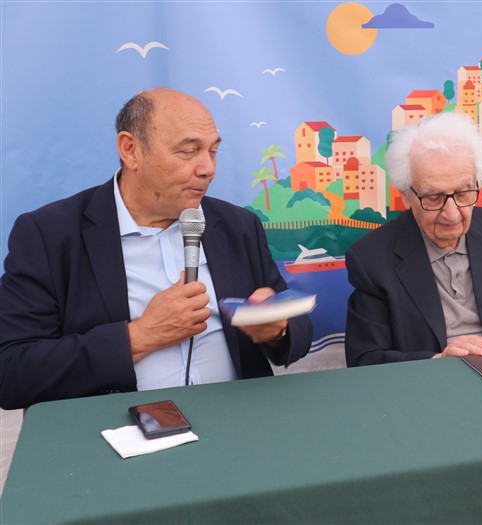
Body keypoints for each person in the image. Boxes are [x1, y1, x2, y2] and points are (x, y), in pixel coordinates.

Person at [0, 88, 312, 410]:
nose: (207, 168)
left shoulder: (238, 225)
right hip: (115, 431)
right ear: (130, 150)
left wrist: (277, 329)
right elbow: (11, 373)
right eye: (188, 151)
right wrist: (141, 336)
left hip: (238, 420)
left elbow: (298, 331)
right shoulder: (49, 235)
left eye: (213, 151)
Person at [344, 112, 482, 366]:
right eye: (434, 198)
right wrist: (439, 361)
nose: (452, 214)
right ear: (406, 195)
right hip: (431, 384)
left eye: (463, 194)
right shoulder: (372, 259)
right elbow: (365, 360)